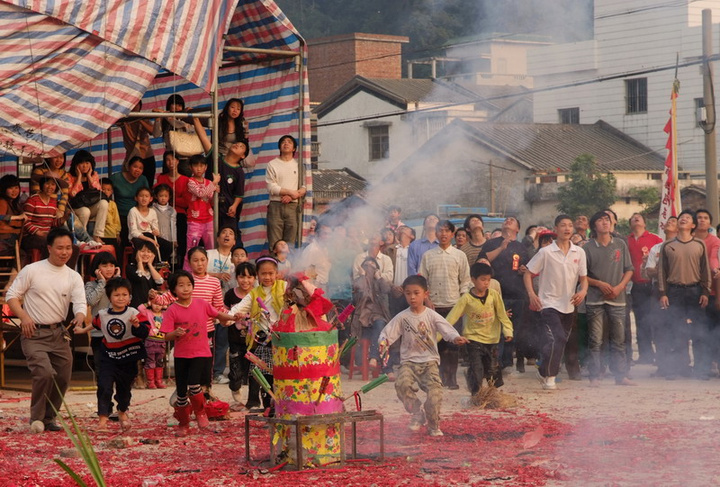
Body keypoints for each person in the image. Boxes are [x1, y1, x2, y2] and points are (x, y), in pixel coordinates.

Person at [6, 227, 86, 433]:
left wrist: (79, 317)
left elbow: (79, 303)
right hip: (34, 333)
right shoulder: (32, 270)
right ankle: (36, 418)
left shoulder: (73, 276)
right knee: (44, 372)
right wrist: (23, 317)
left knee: (63, 376)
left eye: (68, 248)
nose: (64, 252)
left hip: (59, 333)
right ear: (49, 248)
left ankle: (50, 419)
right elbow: (11, 296)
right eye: (60, 248)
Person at [378, 275, 469, 436]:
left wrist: (455, 338)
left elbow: (446, 328)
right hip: (408, 362)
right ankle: (416, 413)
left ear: (425, 294)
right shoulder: (402, 317)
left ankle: (433, 424)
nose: (412, 297)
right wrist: (383, 342)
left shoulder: (431, 315)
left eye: (416, 293)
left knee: (435, 395)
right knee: (402, 384)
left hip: (429, 363)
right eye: (408, 293)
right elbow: (387, 333)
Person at [161, 270, 238, 436]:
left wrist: (234, 317)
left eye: (189, 284)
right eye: (181, 285)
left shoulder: (201, 304)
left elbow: (219, 315)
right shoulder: (172, 310)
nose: (186, 288)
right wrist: (174, 334)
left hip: (201, 353)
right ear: (173, 290)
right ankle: (184, 424)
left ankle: (201, 413)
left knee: (195, 384)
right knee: (181, 393)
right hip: (182, 355)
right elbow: (165, 335)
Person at [74, 277, 150, 432]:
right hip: (109, 357)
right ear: (109, 297)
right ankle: (103, 419)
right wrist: (82, 330)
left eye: (124, 294)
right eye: (117, 295)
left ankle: (122, 411)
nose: (121, 298)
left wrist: (136, 325)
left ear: (130, 296)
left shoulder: (134, 313)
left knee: (124, 389)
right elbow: (94, 324)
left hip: (129, 358)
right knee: (104, 386)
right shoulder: (103, 314)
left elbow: (145, 332)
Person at [524, 214, 588, 391]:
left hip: (569, 305)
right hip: (548, 304)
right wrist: (532, 294)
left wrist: (582, 291)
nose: (567, 229)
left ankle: (543, 368)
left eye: (569, 225)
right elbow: (528, 273)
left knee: (558, 341)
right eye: (563, 225)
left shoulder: (579, 252)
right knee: (558, 338)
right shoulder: (546, 252)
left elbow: (584, 278)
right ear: (556, 229)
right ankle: (551, 377)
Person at [657, 210, 711, 380]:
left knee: (699, 332)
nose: (683, 219)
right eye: (681, 218)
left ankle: (701, 369)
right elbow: (661, 272)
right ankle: (679, 368)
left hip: (695, 290)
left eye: (687, 218)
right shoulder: (667, 245)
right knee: (676, 331)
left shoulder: (699, 244)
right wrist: (663, 293)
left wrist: (705, 291)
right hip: (675, 291)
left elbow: (705, 271)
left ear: (693, 225)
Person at [584, 211, 636, 387]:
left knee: (619, 339)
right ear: (594, 226)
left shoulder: (620, 244)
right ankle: (595, 376)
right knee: (596, 340)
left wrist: (620, 287)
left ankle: (620, 376)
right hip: (595, 299)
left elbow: (629, 269)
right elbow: (581, 276)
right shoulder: (587, 248)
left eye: (607, 220)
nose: (605, 223)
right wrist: (599, 283)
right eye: (600, 220)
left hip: (618, 297)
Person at [228, 256, 286, 411]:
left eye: (270, 273)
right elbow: (239, 308)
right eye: (263, 274)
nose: (267, 277)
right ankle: (268, 407)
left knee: (283, 375)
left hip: (284, 339)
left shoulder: (285, 287)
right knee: (264, 375)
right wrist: (228, 318)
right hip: (263, 340)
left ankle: (282, 406)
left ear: (276, 273)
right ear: (258, 275)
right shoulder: (254, 293)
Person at [419, 220, 471, 389]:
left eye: (447, 231)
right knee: (437, 345)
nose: (443, 234)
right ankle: (440, 378)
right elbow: (422, 281)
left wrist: (462, 304)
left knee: (453, 344)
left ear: (452, 233)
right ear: (436, 232)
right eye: (440, 231)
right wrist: (426, 300)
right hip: (434, 306)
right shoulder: (428, 255)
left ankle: (452, 379)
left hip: (453, 306)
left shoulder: (459, 255)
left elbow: (465, 281)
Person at [446, 262, 513, 392]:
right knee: (477, 368)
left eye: (488, 280)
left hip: (492, 339)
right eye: (483, 280)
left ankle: (492, 393)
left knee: (492, 368)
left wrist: (508, 331)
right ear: (473, 279)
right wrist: (440, 334)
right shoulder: (466, 298)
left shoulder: (494, 295)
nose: (486, 283)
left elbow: (502, 315)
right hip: (473, 339)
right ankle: (476, 394)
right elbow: (452, 317)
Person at [479, 216, 530, 373]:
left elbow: (529, 268)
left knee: (512, 330)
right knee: (495, 330)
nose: (508, 221)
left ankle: (507, 362)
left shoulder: (521, 247)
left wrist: (524, 270)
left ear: (518, 229)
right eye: (506, 219)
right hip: (495, 293)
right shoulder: (491, 243)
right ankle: (495, 363)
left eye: (512, 220)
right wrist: (501, 247)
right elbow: (482, 260)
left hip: (516, 294)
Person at [192, 115, 247, 231]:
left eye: (241, 147)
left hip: (227, 209)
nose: (237, 145)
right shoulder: (217, 159)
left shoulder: (239, 171)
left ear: (243, 156)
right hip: (208, 207)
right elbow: (203, 138)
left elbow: (239, 194)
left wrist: (234, 206)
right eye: (237, 143)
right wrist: (195, 119)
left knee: (227, 235)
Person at [351, 232, 394, 375]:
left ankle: (378, 360)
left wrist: (377, 275)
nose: (372, 240)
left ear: (381, 242)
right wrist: (364, 276)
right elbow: (356, 281)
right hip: (363, 307)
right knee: (366, 330)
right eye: (371, 238)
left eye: (375, 238)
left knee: (381, 327)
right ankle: (364, 363)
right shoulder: (359, 258)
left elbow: (389, 280)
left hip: (380, 306)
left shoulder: (386, 259)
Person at [627, 212, 663, 365]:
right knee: (641, 320)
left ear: (645, 223)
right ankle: (645, 354)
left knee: (654, 319)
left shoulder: (654, 239)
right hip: (635, 285)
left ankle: (659, 354)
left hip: (652, 284)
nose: (636, 217)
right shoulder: (625, 240)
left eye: (639, 216)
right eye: (633, 217)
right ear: (630, 224)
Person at [644, 216, 677, 377]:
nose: (668, 223)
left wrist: (661, 270)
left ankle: (678, 365)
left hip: (677, 290)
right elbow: (649, 271)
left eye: (673, 222)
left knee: (676, 328)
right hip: (657, 290)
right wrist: (663, 270)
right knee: (658, 327)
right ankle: (662, 366)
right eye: (667, 221)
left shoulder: (682, 246)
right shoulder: (656, 248)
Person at [84, 252, 120, 386]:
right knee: (100, 366)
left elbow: (125, 301)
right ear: (97, 268)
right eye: (105, 265)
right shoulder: (90, 285)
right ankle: (103, 394)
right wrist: (102, 283)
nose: (109, 269)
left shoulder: (119, 283)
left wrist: (118, 280)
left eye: (112, 265)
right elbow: (91, 301)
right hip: (98, 333)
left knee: (118, 366)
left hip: (117, 332)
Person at [207, 225, 238, 384]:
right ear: (218, 238)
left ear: (234, 241)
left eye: (231, 233)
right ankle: (205, 373)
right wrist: (216, 275)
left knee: (222, 342)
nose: (227, 234)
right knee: (207, 342)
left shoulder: (236, 258)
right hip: (206, 306)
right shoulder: (209, 254)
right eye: (224, 232)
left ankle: (218, 373)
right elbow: (195, 272)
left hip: (225, 308)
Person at [223, 262, 256, 405]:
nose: (246, 280)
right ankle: (236, 392)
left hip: (254, 342)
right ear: (237, 277)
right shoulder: (230, 294)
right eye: (242, 276)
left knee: (253, 374)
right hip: (235, 341)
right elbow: (225, 313)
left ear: (255, 278)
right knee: (235, 373)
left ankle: (253, 400)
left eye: (250, 277)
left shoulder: (258, 294)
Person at [265, 135, 307, 248]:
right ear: (279, 147)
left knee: (290, 242)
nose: (286, 143)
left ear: (294, 148)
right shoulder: (272, 164)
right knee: (274, 242)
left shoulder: (298, 165)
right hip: (276, 205)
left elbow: (304, 187)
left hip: (293, 206)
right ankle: (274, 264)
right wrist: (290, 192)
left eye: (289, 142)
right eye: (283, 142)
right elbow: (271, 187)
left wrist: (293, 196)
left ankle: (288, 265)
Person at [155, 151, 190, 265]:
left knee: (180, 235)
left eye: (173, 159)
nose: (171, 162)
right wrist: (176, 198)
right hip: (162, 212)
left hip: (179, 213)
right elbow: (157, 196)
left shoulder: (185, 179)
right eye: (168, 160)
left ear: (178, 161)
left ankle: (179, 263)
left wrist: (170, 199)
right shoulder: (161, 177)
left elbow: (186, 202)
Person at [67, 150, 108, 244]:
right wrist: (79, 178)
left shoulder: (94, 175)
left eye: (87, 163)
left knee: (104, 203)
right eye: (81, 163)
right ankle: (83, 238)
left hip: (91, 205)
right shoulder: (69, 176)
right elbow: (72, 194)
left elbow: (98, 191)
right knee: (85, 211)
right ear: (76, 165)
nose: (84, 166)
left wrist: (89, 176)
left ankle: (97, 235)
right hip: (76, 208)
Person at [185, 155, 220, 265]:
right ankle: (189, 273)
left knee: (211, 248)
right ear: (191, 167)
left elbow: (211, 200)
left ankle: (210, 271)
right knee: (191, 248)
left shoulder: (208, 182)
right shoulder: (190, 181)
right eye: (196, 166)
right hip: (195, 220)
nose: (199, 169)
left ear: (205, 167)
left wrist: (215, 191)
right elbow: (200, 193)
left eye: (201, 166)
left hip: (208, 219)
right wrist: (214, 184)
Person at [109, 156, 149, 247]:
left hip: (137, 216)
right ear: (128, 166)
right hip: (119, 216)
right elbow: (106, 193)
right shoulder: (116, 178)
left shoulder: (143, 179)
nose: (137, 170)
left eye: (141, 168)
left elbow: (146, 197)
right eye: (135, 166)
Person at [153, 94, 196, 177]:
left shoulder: (185, 117)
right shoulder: (165, 119)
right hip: (169, 158)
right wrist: (158, 118)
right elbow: (156, 134)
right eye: (174, 104)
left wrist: (165, 114)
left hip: (184, 158)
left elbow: (178, 124)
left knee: (185, 184)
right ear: (169, 106)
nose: (177, 108)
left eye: (179, 105)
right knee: (168, 184)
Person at [22, 177, 64, 256]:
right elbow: (25, 221)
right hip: (30, 237)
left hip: (45, 236)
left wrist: (64, 218)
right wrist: (38, 232)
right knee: (51, 243)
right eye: (47, 183)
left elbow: (52, 223)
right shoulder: (32, 200)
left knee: (72, 247)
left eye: (53, 184)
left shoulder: (53, 202)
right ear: (42, 185)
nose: (50, 187)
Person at [128, 187, 172, 263]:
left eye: (146, 196)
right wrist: (150, 240)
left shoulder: (152, 211)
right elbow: (134, 232)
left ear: (151, 199)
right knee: (147, 246)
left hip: (149, 235)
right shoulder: (133, 211)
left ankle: (160, 264)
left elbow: (155, 227)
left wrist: (156, 231)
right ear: (136, 198)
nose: (144, 198)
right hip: (138, 237)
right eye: (141, 196)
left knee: (168, 246)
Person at [118, 101, 157, 185]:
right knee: (130, 183)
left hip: (146, 156)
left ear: (140, 106)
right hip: (132, 156)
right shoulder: (124, 119)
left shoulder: (143, 118)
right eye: (132, 103)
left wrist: (139, 120)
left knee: (147, 184)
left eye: (137, 104)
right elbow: (113, 120)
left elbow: (153, 131)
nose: (134, 106)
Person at [217, 98, 256, 169]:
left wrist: (246, 130)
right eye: (232, 107)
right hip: (219, 158)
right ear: (227, 108)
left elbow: (244, 143)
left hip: (234, 159)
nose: (235, 111)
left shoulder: (240, 124)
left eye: (238, 109)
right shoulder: (218, 122)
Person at [385, 225, 415, 316]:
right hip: (393, 291)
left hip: (410, 291)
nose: (402, 230)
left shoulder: (414, 249)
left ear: (412, 236)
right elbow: (385, 270)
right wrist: (392, 286)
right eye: (400, 229)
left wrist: (404, 286)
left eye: (405, 229)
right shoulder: (390, 249)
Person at [30, 154, 70, 219]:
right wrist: (50, 206)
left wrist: (61, 210)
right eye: (55, 157)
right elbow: (36, 192)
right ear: (48, 157)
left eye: (61, 157)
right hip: (42, 205)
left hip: (57, 206)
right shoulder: (39, 171)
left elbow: (65, 194)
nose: (59, 160)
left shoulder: (63, 173)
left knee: (73, 221)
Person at [126, 241, 164, 309]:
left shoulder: (152, 270)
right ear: (136, 253)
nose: (146, 254)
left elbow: (160, 282)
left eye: (149, 252)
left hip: (151, 307)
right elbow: (140, 277)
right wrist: (139, 262)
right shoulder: (130, 267)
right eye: (142, 251)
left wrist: (150, 264)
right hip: (136, 307)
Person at [143, 300, 167, 390]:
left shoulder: (165, 314)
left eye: (160, 304)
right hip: (150, 341)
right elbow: (140, 308)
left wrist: (165, 303)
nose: (157, 306)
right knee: (150, 361)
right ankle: (151, 382)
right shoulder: (148, 313)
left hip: (161, 341)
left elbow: (172, 309)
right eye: (155, 304)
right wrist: (148, 302)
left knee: (159, 361)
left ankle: (159, 381)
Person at [0, 174, 25, 258]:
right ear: (4, 189)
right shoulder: (2, 202)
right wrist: (16, 219)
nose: (14, 191)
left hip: (12, 239)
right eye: (10, 188)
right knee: (22, 254)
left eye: (16, 188)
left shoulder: (15, 204)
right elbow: (0, 219)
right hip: (4, 241)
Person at [152, 184, 177, 265]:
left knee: (167, 259)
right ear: (156, 196)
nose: (163, 198)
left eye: (165, 196)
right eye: (161, 196)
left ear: (169, 197)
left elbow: (173, 226)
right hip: (157, 237)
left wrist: (174, 239)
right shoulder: (152, 209)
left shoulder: (172, 210)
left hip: (168, 237)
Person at [99, 178, 122, 256]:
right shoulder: (96, 203)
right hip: (101, 234)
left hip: (111, 234)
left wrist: (117, 233)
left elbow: (116, 220)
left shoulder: (113, 204)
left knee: (114, 254)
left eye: (108, 190)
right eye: (103, 189)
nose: (105, 191)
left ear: (111, 192)